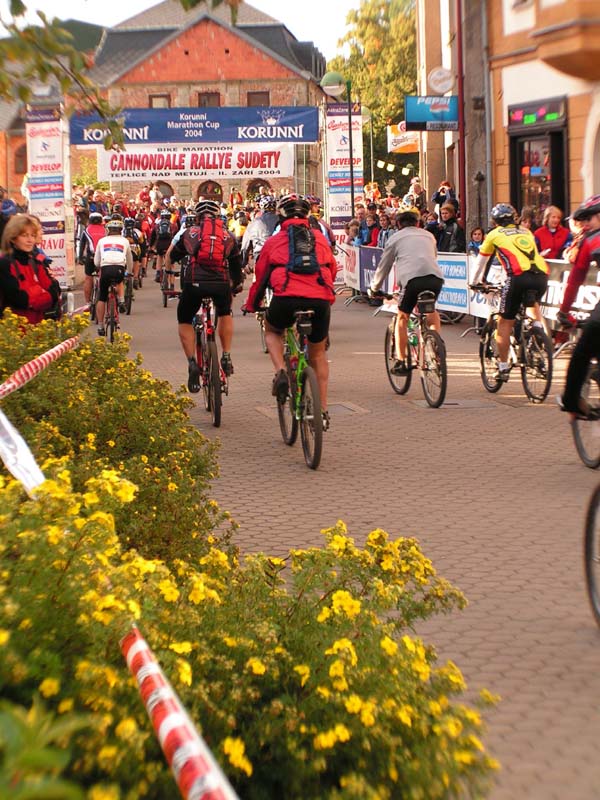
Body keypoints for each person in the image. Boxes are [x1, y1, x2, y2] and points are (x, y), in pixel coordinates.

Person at [243, 193, 337, 430]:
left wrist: (252, 304)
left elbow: (261, 277)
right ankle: (322, 410)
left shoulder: (275, 241)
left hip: (285, 298)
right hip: (319, 301)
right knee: (317, 355)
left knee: (272, 330)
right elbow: (332, 270)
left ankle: (281, 372)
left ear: (280, 217)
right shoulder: (319, 238)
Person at [168, 199, 243, 391]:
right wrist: (235, 286)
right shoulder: (228, 236)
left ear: (197, 217)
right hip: (220, 284)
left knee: (184, 319)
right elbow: (236, 267)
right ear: (218, 216)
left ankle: (192, 362)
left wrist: (169, 271)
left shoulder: (190, 233)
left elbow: (173, 256)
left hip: (193, 284)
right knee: (225, 313)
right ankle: (226, 355)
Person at [472, 203, 549, 382]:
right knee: (533, 307)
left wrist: (475, 282)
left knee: (505, 322)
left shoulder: (494, 234)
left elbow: (480, 262)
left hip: (517, 277)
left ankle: (503, 367)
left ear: (495, 221)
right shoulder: (526, 231)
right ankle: (539, 342)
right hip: (541, 276)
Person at [369, 210, 444, 376]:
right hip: (435, 278)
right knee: (431, 311)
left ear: (398, 225)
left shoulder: (395, 238)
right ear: (417, 223)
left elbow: (384, 265)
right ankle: (437, 347)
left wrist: (374, 287)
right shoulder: (428, 236)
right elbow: (433, 256)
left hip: (412, 281)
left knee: (402, 316)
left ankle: (401, 361)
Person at [556, 195, 600, 418]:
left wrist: (564, 313)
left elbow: (575, 279)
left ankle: (572, 401)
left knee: (582, 352)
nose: (585, 224)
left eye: (589, 219)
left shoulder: (591, 240)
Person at [0, 213, 61, 324]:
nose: (30, 240)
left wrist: (32, 294)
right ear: (13, 238)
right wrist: (39, 290)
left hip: (40, 328)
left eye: (32, 235)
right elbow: (19, 300)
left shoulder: (36, 261)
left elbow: (55, 293)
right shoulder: (5, 264)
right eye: (24, 235)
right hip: (12, 331)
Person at [93, 218, 133, 336]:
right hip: (119, 268)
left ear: (108, 230)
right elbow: (129, 259)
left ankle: (100, 326)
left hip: (105, 269)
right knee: (120, 280)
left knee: (102, 298)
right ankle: (121, 301)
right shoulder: (125, 241)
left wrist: (98, 266)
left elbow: (96, 261)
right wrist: (130, 272)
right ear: (121, 230)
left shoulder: (102, 241)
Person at [240, 195, 278, 271]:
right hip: (278, 254)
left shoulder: (254, 222)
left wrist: (244, 262)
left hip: (260, 253)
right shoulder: (281, 220)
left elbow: (245, 245)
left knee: (258, 279)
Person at [78, 211, 106, 305]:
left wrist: (80, 258)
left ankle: (87, 302)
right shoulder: (105, 230)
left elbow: (82, 245)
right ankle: (104, 298)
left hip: (91, 256)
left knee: (88, 278)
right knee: (103, 277)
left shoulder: (86, 230)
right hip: (103, 257)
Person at [151, 209, 175, 283]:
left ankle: (158, 272)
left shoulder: (157, 225)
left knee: (160, 256)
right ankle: (172, 279)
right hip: (169, 244)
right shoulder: (173, 225)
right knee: (171, 259)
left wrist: (151, 246)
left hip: (160, 244)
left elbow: (153, 236)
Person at [122, 216, 144, 288]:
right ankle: (135, 278)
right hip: (135, 248)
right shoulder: (137, 231)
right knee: (136, 261)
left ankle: (123, 275)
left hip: (124, 248)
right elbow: (141, 241)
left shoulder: (121, 231)